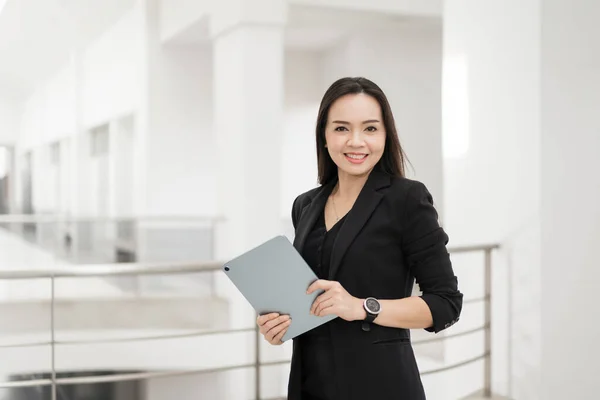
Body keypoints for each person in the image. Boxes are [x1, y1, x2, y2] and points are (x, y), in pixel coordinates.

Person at [256, 77, 463, 400]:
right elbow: (309, 299)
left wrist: (362, 306)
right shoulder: (305, 205)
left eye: (370, 128)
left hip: (380, 384)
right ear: (324, 136)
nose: (356, 141)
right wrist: (280, 324)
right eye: (341, 128)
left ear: (385, 135)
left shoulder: (407, 200)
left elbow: (446, 304)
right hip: (310, 382)